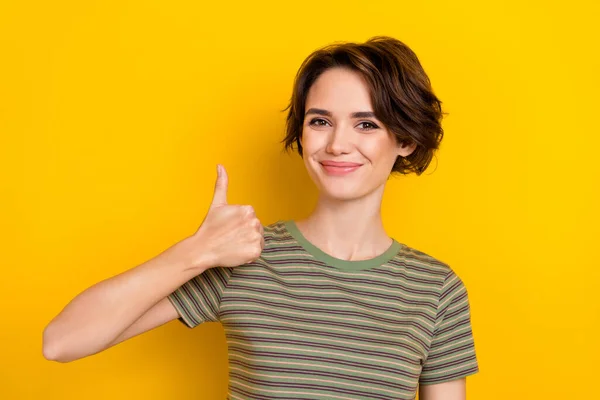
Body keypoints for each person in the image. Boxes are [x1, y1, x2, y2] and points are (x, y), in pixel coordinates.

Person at [43, 36, 479, 399]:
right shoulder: (245, 259)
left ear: (404, 139)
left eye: (366, 124)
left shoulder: (435, 290)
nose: (337, 144)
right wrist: (196, 252)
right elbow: (61, 342)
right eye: (320, 121)